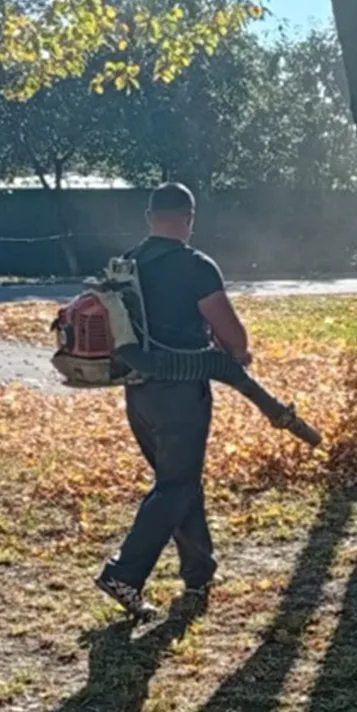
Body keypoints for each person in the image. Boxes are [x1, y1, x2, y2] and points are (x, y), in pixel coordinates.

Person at [95, 182, 252, 620]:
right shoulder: (196, 266)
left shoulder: (126, 264)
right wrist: (239, 354)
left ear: (149, 218)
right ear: (190, 218)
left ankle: (199, 572)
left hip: (139, 391)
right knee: (175, 486)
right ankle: (124, 574)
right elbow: (231, 334)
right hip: (182, 394)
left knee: (179, 481)